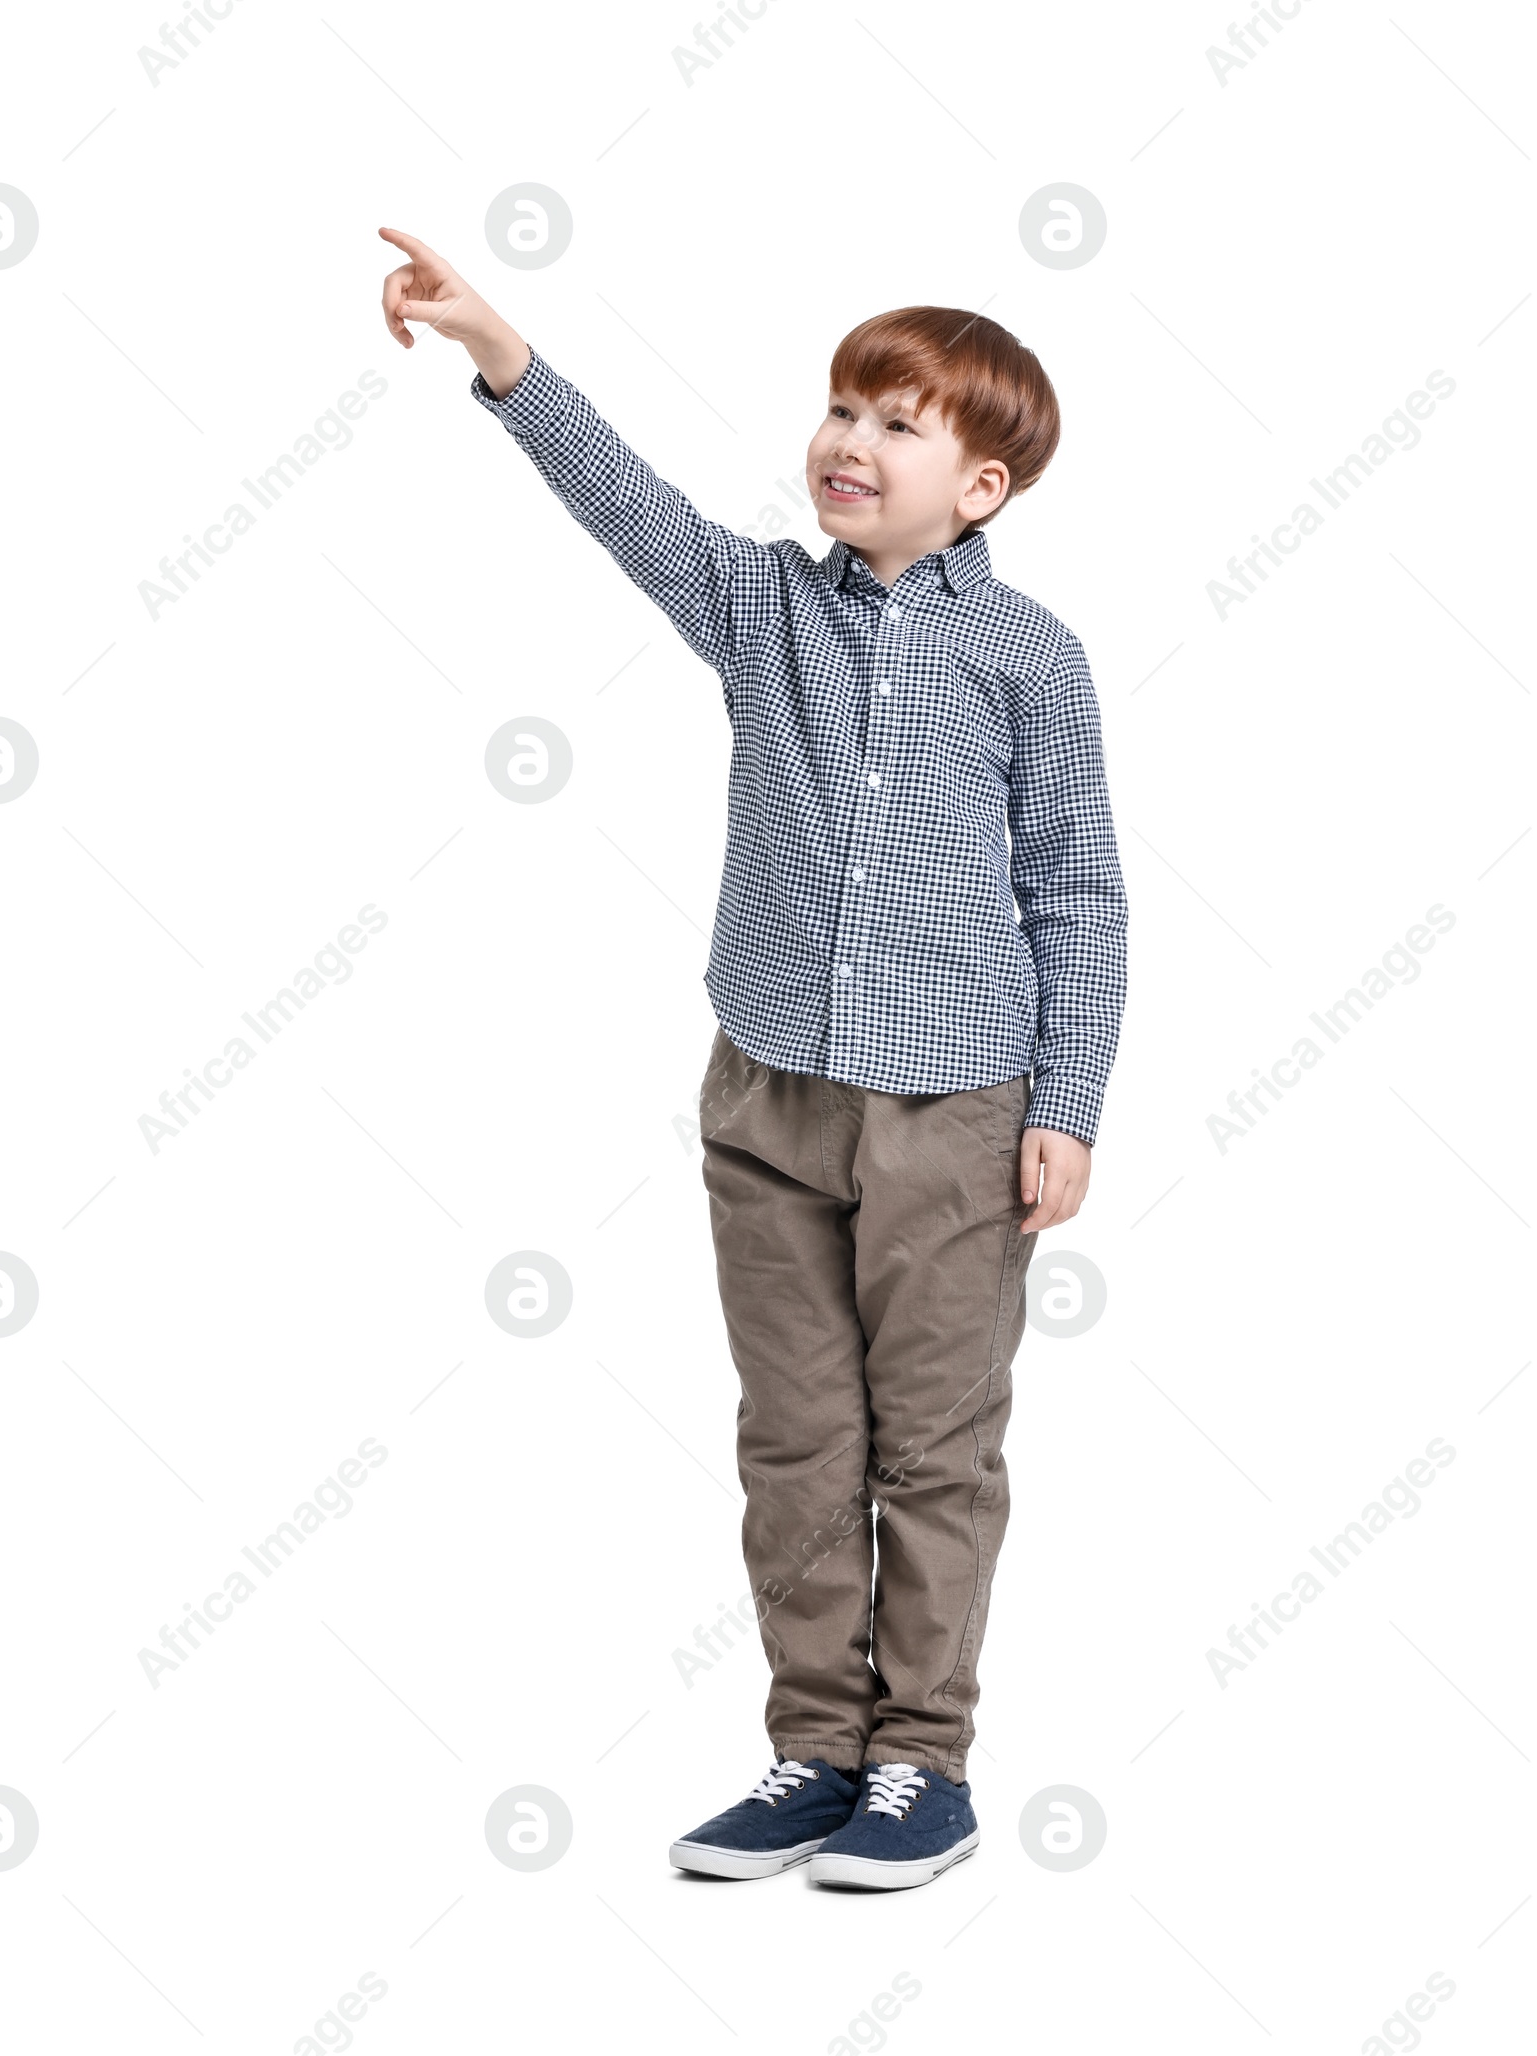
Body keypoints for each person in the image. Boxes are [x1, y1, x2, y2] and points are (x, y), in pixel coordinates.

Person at [379, 226, 1129, 1891]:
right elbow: (626, 502)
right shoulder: (763, 610)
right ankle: (816, 1749)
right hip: (771, 1094)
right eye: (840, 407)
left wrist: (1067, 1107)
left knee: (933, 1443)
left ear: (983, 486)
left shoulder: (1031, 661)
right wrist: (501, 348)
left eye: (898, 422)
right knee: (796, 1434)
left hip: (955, 1112)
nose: (848, 441)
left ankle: (921, 1764)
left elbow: (1078, 888)